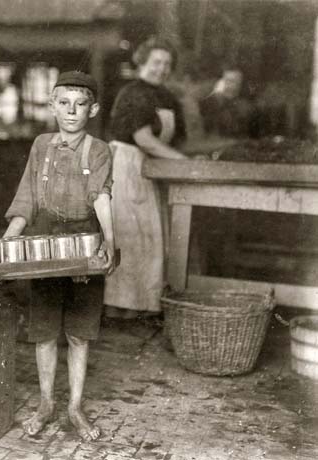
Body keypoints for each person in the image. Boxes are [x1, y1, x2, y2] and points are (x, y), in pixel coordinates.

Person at [4, 71, 116, 441]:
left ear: (93, 109)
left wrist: (108, 243)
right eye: (63, 103)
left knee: (80, 334)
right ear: (52, 106)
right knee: (44, 332)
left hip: (84, 245)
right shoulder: (41, 145)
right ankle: (46, 403)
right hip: (45, 244)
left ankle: (74, 407)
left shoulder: (99, 150)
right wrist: (9, 239)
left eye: (80, 104)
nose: (71, 111)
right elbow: (27, 197)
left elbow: (101, 197)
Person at [103, 37, 189, 319]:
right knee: (130, 238)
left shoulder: (167, 97)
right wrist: (183, 163)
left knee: (150, 239)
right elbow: (144, 140)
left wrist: (182, 157)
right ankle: (118, 307)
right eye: (156, 62)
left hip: (154, 167)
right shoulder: (133, 93)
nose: (161, 69)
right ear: (142, 62)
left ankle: (141, 307)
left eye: (167, 64)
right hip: (128, 167)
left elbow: (177, 140)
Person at [199, 66, 257, 139]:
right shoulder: (210, 103)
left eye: (233, 81)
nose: (229, 84)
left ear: (240, 83)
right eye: (226, 80)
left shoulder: (246, 107)